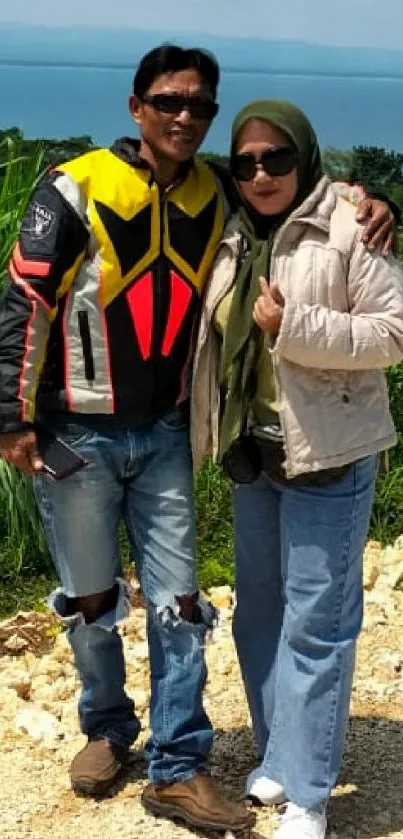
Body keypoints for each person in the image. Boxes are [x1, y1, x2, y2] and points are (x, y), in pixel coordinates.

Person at [0, 43, 394, 833]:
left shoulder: (216, 193)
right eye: (168, 102)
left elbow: (309, 197)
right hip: (79, 427)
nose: (184, 117)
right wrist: (11, 417)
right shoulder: (74, 187)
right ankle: (106, 728)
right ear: (136, 106)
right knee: (89, 600)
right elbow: (24, 300)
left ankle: (178, 763)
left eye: (198, 106)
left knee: (182, 604)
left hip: (169, 432)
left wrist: (381, 196)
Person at [191, 99, 403, 839]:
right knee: (258, 614)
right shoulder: (232, 227)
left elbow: (393, 332)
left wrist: (297, 327)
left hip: (329, 455)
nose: (259, 173)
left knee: (317, 624)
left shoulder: (349, 223)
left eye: (275, 157)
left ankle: (309, 795)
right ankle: (282, 747)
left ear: (302, 157)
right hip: (256, 453)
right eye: (245, 161)